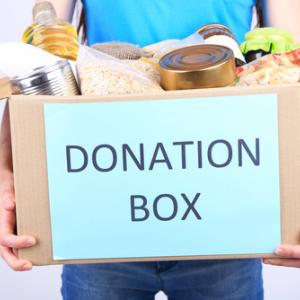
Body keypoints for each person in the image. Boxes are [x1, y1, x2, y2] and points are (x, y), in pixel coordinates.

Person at [0, 0, 300, 299]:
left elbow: (290, 71)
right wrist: (6, 175)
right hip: (103, 212)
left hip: (222, 214)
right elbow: (38, 60)